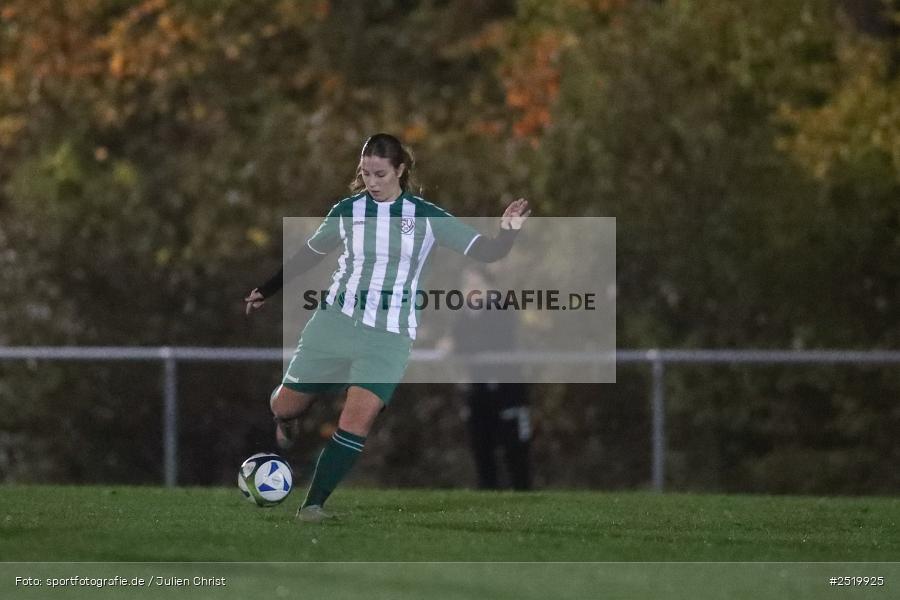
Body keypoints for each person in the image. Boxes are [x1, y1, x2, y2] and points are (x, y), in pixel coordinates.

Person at [244, 133, 530, 522]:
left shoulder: (426, 218)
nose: (372, 182)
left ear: (400, 170)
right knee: (285, 404)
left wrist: (508, 231)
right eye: (365, 174)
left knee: (357, 420)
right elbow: (306, 257)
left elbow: (490, 252)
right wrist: (266, 289)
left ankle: (313, 505)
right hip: (335, 323)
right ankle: (286, 418)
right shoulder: (347, 211)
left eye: (379, 174)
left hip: (389, 336)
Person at [449, 265, 532, 491]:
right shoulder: (464, 318)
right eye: (467, 286)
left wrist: (459, 346)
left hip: (507, 392)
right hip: (479, 392)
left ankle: (524, 500)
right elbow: (459, 343)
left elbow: (491, 341)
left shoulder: (502, 311)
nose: (471, 291)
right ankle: (487, 497)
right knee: (481, 449)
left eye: (477, 286)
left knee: (515, 452)